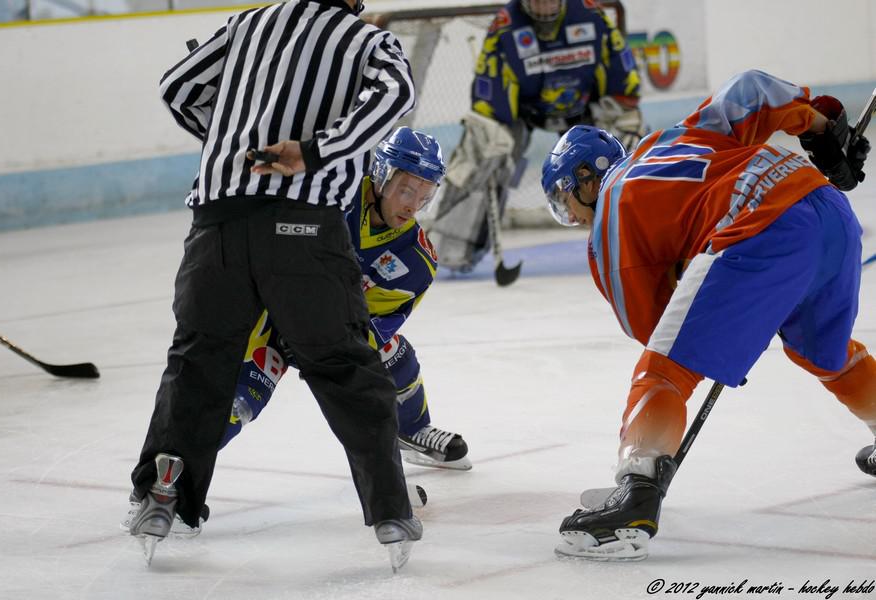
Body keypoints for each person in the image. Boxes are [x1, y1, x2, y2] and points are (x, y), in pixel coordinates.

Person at [128, 0, 422, 571]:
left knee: (199, 359)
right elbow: (396, 95)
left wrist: (229, 138)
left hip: (217, 224)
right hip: (304, 228)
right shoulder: (364, 40)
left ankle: (164, 495)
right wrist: (313, 151)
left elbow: (177, 86)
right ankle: (390, 509)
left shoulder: (247, 23)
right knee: (344, 365)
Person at [540, 69, 874, 561]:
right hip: (828, 209)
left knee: (663, 373)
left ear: (586, 182)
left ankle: (635, 497)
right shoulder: (670, 137)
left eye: (565, 200)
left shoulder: (609, 216)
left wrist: (726, 318)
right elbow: (752, 90)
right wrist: (823, 129)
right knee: (825, 352)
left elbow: (656, 330)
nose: (572, 216)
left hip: (762, 230)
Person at [221, 128, 471, 473]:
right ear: (382, 175)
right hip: (270, 318)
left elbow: (375, 328)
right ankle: (174, 477)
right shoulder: (335, 192)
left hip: (329, 336)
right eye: (406, 190)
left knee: (395, 354)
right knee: (239, 404)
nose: (413, 205)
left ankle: (412, 431)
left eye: (424, 195)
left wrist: (327, 347)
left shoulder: (416, 260)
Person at [428, 0, 643, 274]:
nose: (544, 6)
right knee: (483, 146)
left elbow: (622, 82)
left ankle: (634, 230)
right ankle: (452, 249)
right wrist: (494, 133)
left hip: (585, 108)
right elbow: (490, 101)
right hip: (523, 112)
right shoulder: (505, 27)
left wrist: (623, 123)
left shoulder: (591, 15)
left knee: (625, 140)